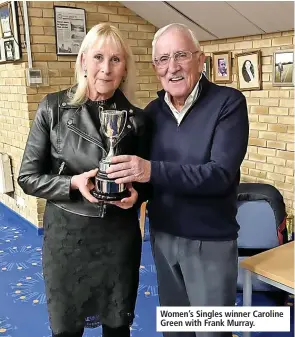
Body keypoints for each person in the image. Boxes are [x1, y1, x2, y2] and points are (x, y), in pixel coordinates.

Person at [106, 23, 249, 337]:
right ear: (155, 66)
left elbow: (220, 175)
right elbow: (148, 177)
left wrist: (150, 171)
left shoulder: (229, 103)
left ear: (200, 59)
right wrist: (136, 193)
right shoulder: (152, 112)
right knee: (176, 331)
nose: (172, 67)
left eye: (181, 55)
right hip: (163, 237)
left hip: (210, 242)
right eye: (163, 59)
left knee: (212, 333)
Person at [18, 23, 146, 337]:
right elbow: (28, 177)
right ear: (83, 61)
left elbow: (146, 180)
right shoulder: (52, 109)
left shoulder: (139, 119)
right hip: (67, 241)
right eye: (99, 57)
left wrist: (138, 194)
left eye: (115, 60)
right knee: (66, 331)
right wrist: (72, 184)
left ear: (125, 68)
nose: (106, 68)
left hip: (117, 240)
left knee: (118, 329)